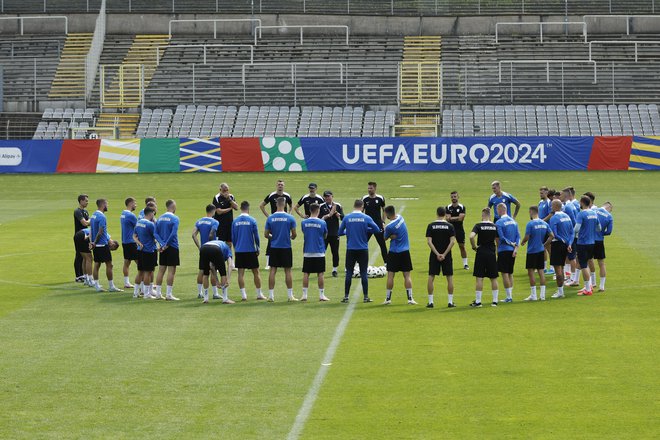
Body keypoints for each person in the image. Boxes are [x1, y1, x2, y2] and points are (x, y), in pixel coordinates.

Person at [338, 199, 380, 304]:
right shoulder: (366, 218)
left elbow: (339, 232)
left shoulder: (347, 217)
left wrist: (348, 231)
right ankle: (365, 297)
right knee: (364, 273)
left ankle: (346, 296)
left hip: (351, 249)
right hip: (363, 249)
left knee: (349, 273)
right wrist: (367, 230)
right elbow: (377, 229)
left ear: (354, 206)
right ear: (362, 207)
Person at [264, 197, 297, 301]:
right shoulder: (290, 218)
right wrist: (290, 237)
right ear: (285, 204)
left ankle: (271, 296)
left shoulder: (270, 218)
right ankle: (290, 296)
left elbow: (266, 234)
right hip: (286, 247)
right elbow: (294, 234)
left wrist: (273, 237)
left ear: (276, 204)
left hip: (274, 247)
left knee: (273, 270)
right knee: (288, 270)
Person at [231, 201, 265, 301]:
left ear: (241, 208)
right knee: (256, 272)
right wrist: (258, 248)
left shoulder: (235, 221)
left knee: (240, 273)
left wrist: (236, 248)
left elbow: (233, 237)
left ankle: (244, 295)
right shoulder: (252, 220)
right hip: (250, 250)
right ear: (248, 209)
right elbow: (256, 236)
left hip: (239, 250)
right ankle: (259, 294)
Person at [382, 206, 416, 305]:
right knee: (407, 276)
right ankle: (410, 299)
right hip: (405, 251)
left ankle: (388, 299)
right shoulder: (401, 217)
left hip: (393, 252)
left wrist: (388, 233)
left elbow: (384, 238)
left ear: (387, 214)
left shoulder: (389, 227)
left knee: (390, 276)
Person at [521, 206, 554, 301]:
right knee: (541, 272)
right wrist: (545, 244)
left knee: (531, 272)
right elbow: (552, 236)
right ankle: (542, 296)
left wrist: (523, 242)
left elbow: (527, 236)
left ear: (531, 212)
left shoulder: (530, 224)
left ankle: (533, 295)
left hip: (532, 251)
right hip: (540, 250)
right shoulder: (544, 223)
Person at [425, 206, 456, 308]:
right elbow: (452, 242)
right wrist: (444, 254)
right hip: (446, 256)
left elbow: (429, 242)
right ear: (445, 214)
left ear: (437, 213)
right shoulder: (450, 226)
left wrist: (437, 253)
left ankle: (430, 302)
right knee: (449, 278)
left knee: (431, 276)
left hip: (434, 255)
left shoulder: (431, 225)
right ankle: (450, 302)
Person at [89, 199, 122, 293]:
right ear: (103, 205)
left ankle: (97, 286)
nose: (107, 206)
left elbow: (91, 230)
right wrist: (94, 242)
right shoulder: (102, 216)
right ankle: (111, 286)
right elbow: (100, 231)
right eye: (107, 204)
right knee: (109, 265)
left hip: (96, 245)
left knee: (97, 264)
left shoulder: (93, 215)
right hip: (102, 244)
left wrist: (91, 242)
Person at [469, 208, 499, 308]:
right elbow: (498, 240)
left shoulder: (478, 225)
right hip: (491, 253)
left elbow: (471, 236)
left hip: (481, 252)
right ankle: (494, 301)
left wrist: (474, 247)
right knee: (493, 278)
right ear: (490, 216)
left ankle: (478, 302)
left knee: (479, 278)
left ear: (482, 215)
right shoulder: (495, 226)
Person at [260, 180, 293, 269]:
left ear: (284, 186)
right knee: (271, 240)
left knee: (285, 238)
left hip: (284, 221)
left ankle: (283, 261)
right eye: (279, 185)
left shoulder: (287, 196)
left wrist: (289, 214)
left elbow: (291, 205)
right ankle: (268, 263)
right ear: (276, 186)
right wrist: (268, 216)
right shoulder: (272, 195)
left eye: (281, 185)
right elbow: (261, 205)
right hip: (274, 221)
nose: (280, 186)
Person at [301, 204, 329, 302]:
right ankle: (321, 296)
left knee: (306, 273)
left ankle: (304, 295)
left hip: (307, 251)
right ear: (318, 210)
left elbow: (304, 232)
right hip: (319, 251)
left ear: (309, 210)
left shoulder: (303, 222)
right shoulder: (322, 222)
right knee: (320, 273)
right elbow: (325, 235)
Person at [574, 195, 601, 296]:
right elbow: (599, 228)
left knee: (583, 265)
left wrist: (572, 234)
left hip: (582, 243)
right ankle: (588, 286)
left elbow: (576, 229)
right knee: (588, 263)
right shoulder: (594, 213)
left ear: (581, 202)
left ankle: (588, 289)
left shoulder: (581, 214)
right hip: (592, 242)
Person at [154, 199, 180, 301]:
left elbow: (155, 233)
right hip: (172, 246)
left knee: (161, 270)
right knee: (171, 271)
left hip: (163, 248)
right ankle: (169, 294)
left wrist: (161, 244)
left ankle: (158, 294)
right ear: (173, 207)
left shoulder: (160, 218)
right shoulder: (175, 218)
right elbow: (173, 234)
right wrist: (166, 244)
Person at [548, 199, 574, 299]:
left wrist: (562, 240)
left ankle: (560, 292)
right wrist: (569, 244)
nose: (551, 207)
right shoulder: (567, 216)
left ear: (555, 207)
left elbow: (554, 234)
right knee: (562, 268)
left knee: (558, 269)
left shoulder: (554, 218)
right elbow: (572, 232)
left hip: (558, 244)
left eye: (551, 206)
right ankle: (560, 290)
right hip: (567, 245)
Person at [192, 204, 220, 299]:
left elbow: (193, 235)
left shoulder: (199, 221)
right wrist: (212, 243)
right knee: (213, 270)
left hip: (203, 249)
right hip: (212, 248)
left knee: (202, 270)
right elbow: (212, 233)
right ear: (214, 210)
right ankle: (215, 293)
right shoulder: (215, 222)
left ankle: (200, 292)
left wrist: (200, 247)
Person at [133, 206, 160, 299]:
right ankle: (147, 294)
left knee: (140, 272)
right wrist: (162, 245)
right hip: (149, 251)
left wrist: (139, 243)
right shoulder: (150, 224)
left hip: (140, 250)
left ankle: (135, 293)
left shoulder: (138, 222)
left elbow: (134, 236)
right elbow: (156, 236)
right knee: (148, 272)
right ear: (151, 213)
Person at [495, 203, 520, 303]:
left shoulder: (499, 222)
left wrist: (511, 244)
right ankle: (510, 295)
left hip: (504, 250)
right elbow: (518, 236)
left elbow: (501, 238)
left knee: (504, 273)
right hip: (512, 251)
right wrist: (516, 248)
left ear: (500, 210)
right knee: (510, 273)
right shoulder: (514, 222)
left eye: (497, 210)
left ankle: (508, 297)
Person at [199, 240, 234, 304]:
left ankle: (206, 299)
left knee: (206, 274)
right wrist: (228, 280)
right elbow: (230, 265)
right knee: (223, 274)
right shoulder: (228, 250)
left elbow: (211, 266)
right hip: (215, 249)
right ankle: (225, 299)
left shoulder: (221, 245)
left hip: (203, 248)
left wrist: (217, 281)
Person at [319, 190, 344, 277]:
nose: (327, 198)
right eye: (325, 197)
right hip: (324, 233)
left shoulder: (337, 205)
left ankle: (334, 270)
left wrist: (338, 215)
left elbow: (343, 218)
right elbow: (319, 219)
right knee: (322, 252)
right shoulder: (321, 206)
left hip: (335, 233)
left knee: (335, 252)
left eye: (328, 196)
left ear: (332, 196)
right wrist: (329, 215)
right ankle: (320, 269)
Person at [362, 181, 388, 264]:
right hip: (367, 225)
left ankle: (386, 263)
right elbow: (361, 211)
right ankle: (359, 262)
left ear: (375, 188)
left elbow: (384, 210)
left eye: (371, 188)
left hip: (378, 225)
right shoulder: (364, 198)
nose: (369, 190)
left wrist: (383, 221)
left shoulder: (380, 198)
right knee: (362, 243)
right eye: (368, 188)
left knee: (382, 244)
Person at [593, 202, 614, 292]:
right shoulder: (609, 216)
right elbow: (609, 232)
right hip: (599, 241)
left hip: (588, 240)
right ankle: (602, 286)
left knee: (587, 261)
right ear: (609, 207)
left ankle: (591, 283)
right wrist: (601, 233)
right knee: (601, 263)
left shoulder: (594, 210)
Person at [120, 197, 139, 289]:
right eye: (135, 203)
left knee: (127, 262)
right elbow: (139, 227)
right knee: (140, 262)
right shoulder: (131, 215)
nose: (136, 205)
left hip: (124, 241)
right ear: (130, 203)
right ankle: (144, 283)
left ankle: (126, 282)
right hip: (131, 242)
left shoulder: (123, 214)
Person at [446, 191, 468, 270]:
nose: (453, 198)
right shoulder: (448, 207)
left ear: (458, 197)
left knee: (461, 246)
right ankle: (447, 264)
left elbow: (461, 218)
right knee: (448, 247)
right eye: (452, 197)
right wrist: (456, 218)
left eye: (455, 196)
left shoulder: (462, 207)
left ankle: (465, 264)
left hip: (459, 230)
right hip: (450, 230)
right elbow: (447, 219)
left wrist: (452, 218)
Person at [73, 194, 90, 283]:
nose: (87, 202)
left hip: (86, 235)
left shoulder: (86, 211)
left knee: (84, 255)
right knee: (79, 255)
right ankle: (78, 275)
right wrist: (88, 222)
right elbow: (85, 223)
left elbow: (89, 222)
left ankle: (83, 274)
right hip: (79, 236)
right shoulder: (77, 211)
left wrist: (88, 222)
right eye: (86, 200)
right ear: (81, 201)